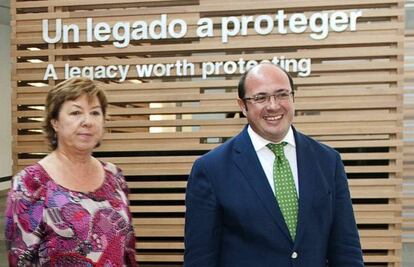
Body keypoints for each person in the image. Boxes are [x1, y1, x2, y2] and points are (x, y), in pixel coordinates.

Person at [184, 63, 364, 267]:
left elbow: (346, 248)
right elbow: (200, 259)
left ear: (293, 98)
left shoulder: (328, 161)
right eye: (260, 97)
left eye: (282, 94)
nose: (273, 105)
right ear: (243, 106)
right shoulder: (211, 170)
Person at [5, 77, 137, 266]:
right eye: (76, 112)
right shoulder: (30, 183)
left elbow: (128, 249)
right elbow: (21, 260)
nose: (87, 121)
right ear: (55, 122)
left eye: (95, 113)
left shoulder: (114, 176)